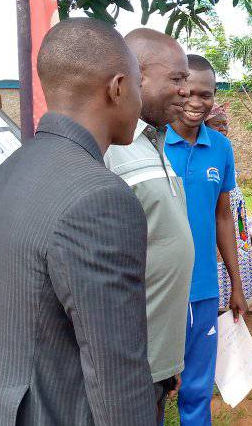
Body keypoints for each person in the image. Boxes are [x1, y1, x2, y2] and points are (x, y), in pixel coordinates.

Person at [0, 18, 153, 425]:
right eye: (139, 86)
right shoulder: (101, 198)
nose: (141, 102)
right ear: (117, 88)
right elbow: (116, 373)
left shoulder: (10, 170)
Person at [104, 27, 194, 422]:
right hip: (124, 367)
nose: (185, 90)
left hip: (156, 359)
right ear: (135, 76)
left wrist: (169, 358)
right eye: (176, 78)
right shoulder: (107, 151)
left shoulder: (155, 145)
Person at [165, 54, 247, 426]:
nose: (197, 103)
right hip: (156, 286)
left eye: (207, 94)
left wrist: (235, 283)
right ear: (175, 91)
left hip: (202, 285)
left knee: (197, 387)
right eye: (188, 94)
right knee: (150, 383)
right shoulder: (148, 144)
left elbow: (223, 216)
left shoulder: (221, 148)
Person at [204, 102, 252, 310]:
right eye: (217, 124)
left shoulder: (223, 152)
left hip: (237, 237)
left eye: (225, 124)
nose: (223, 129)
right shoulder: (204, 157)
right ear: (204, 125)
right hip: (220, 239)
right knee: (218, 302)